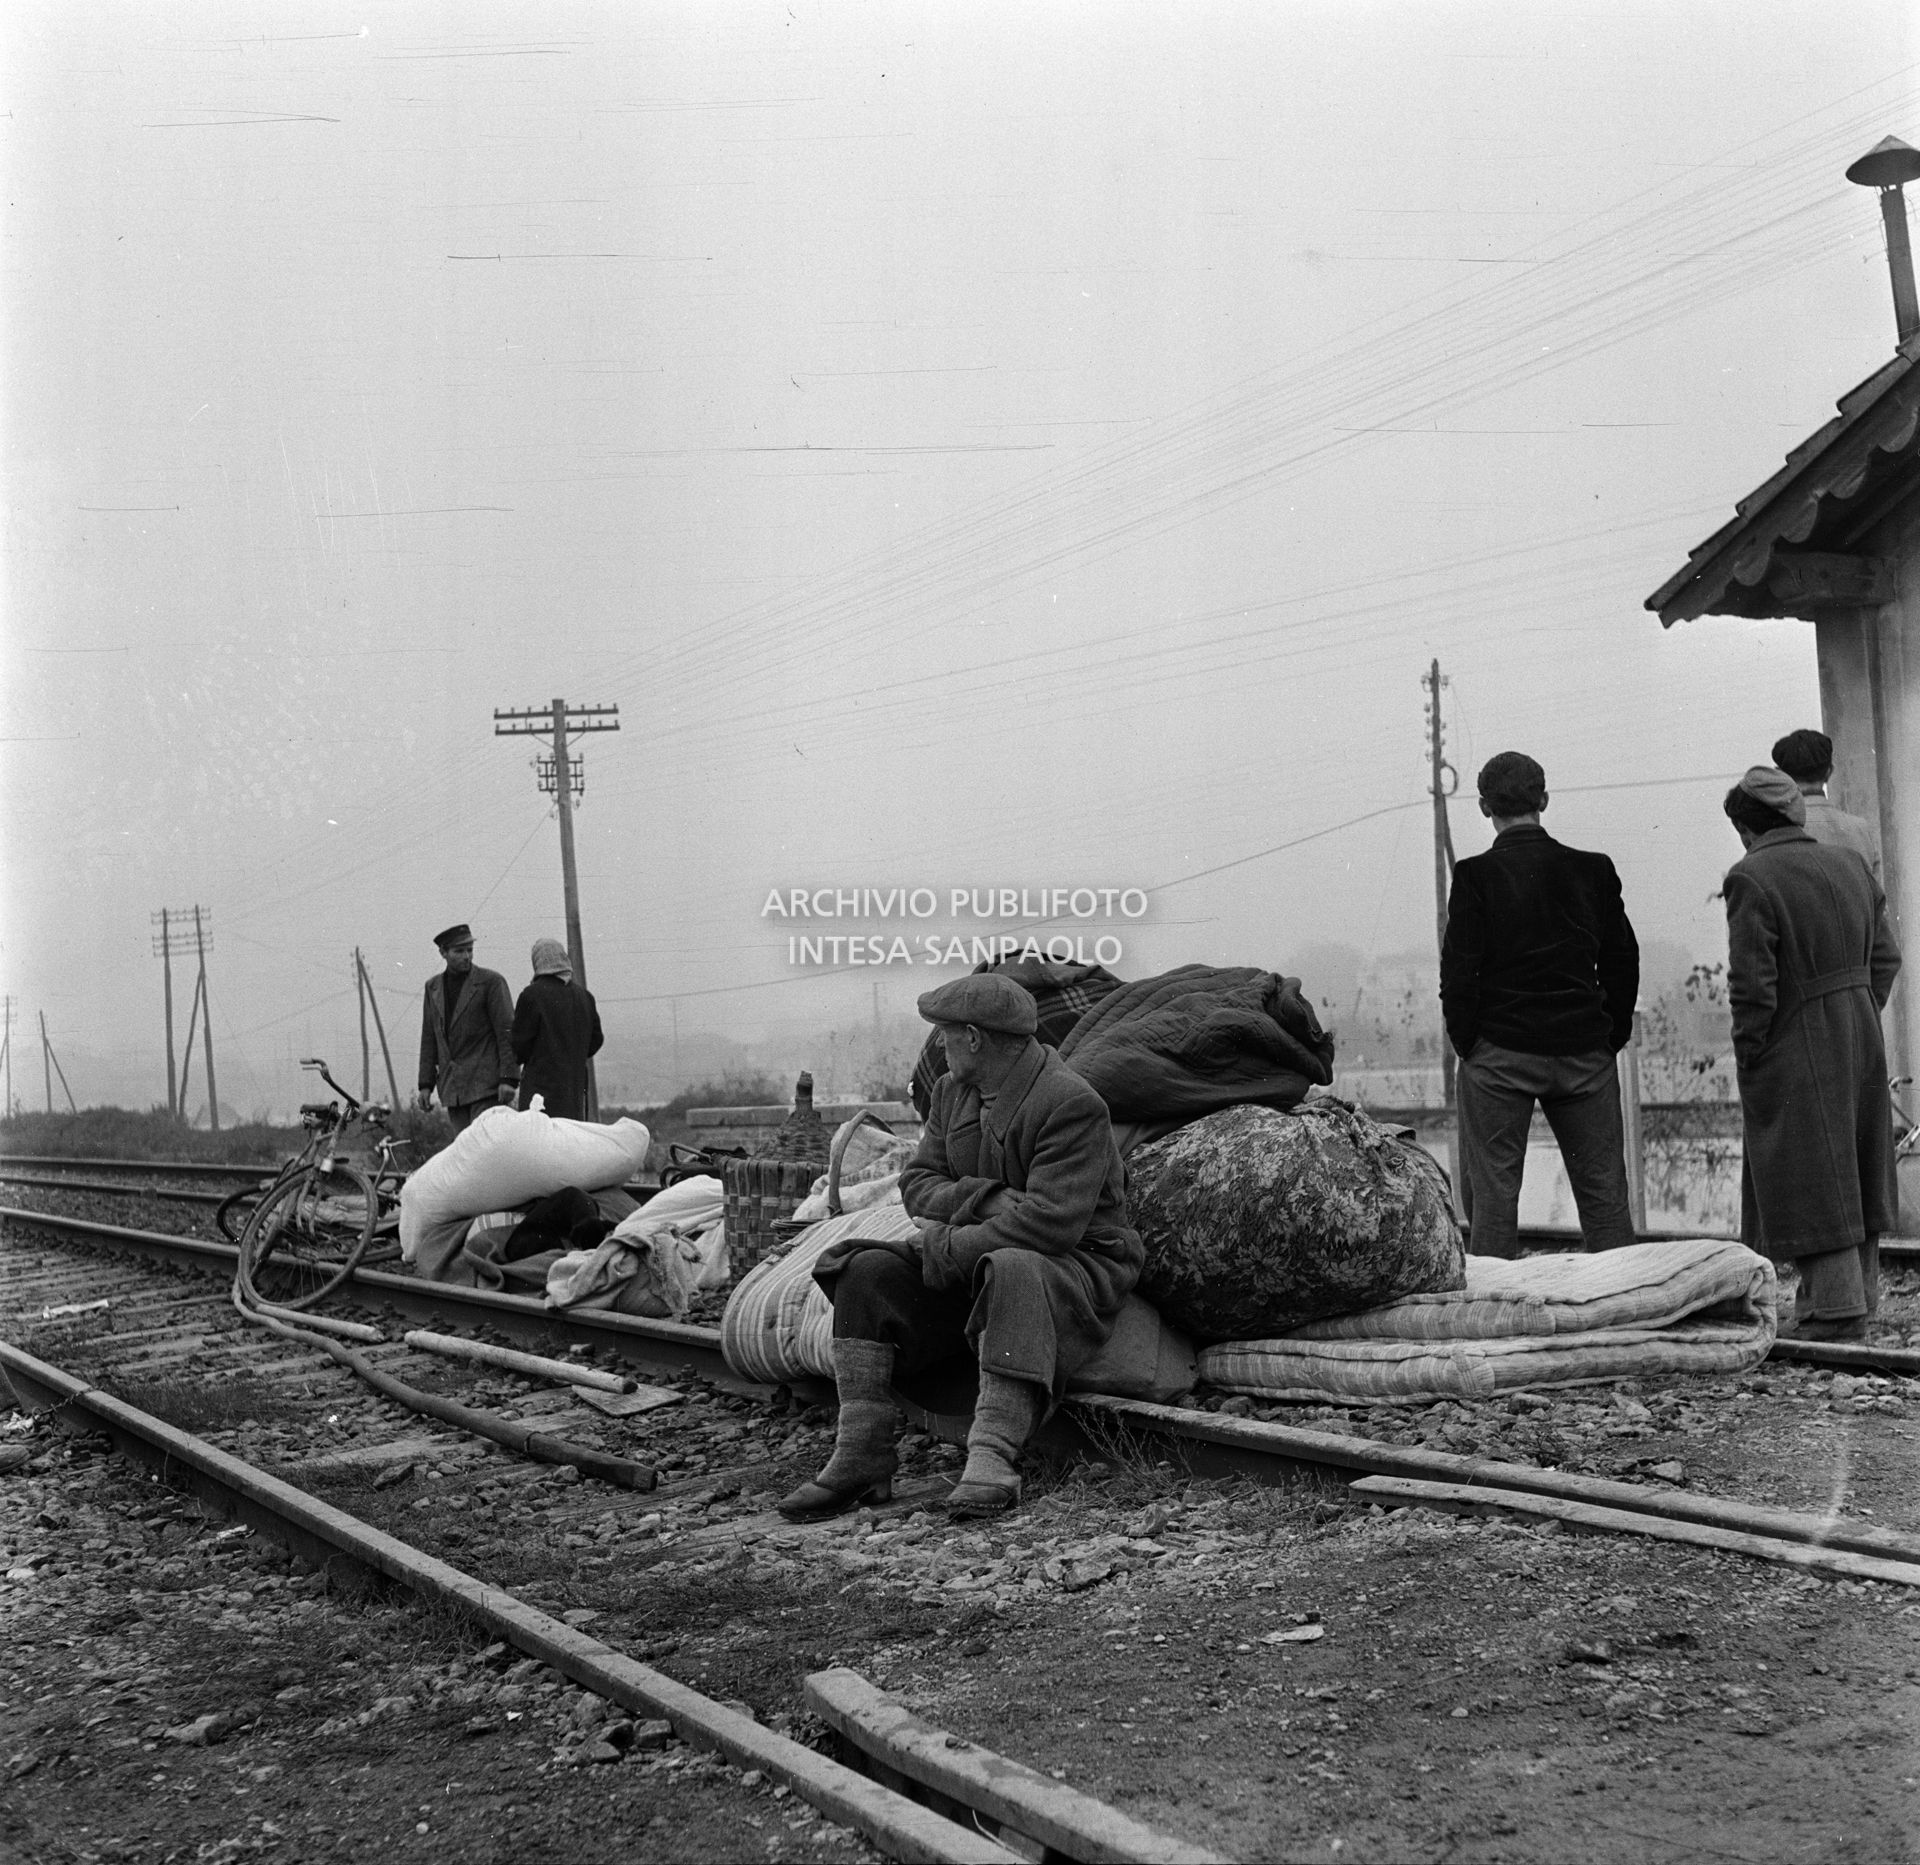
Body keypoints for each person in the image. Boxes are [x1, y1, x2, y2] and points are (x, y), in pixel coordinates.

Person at [778, 972, 1143, 1523]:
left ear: (973, 1038)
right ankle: (862, 1454)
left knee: (1012, 1265)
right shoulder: (953, 1093)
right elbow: (917, 1184)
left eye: (945, 1034)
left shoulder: (1071, 1103)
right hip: (985, 1254)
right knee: (864, 1268)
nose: (940, 1046)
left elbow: (1051, 1226)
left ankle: (993, 1455)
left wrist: (946, 1243)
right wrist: (986, 1198)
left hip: (1079, 1264)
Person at [1723, 765, 1901, 1342]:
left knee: (1811, 1170)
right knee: (1857, 1158)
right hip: (1860, 1027)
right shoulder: (1850, 864)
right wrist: (1858, 1007)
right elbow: (1886, 958)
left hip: (1796, 1037)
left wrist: (1751, 1051)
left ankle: (1837, 1308)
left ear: (1747, 828)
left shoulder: (1751, 876)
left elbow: (1753, 986)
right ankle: (1857, 1298)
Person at [1440, 751, 1641, 1258]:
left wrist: (1470, 1045)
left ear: (1485, 807)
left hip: (1499, 1055)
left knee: (1493, 1201)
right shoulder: (1593, 870)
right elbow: (1622, 960)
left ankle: (1495, 1305)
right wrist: (1610, 1037)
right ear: (1544, 800)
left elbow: (1458, 975)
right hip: (1584, 1055)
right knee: (1605, 1198)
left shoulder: (1474, 876)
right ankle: (1625, 1298)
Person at [415, 923, 517, 1133]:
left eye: (469, 950)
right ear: (443, 952)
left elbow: (507, 1032)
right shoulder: (433, 988)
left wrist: (509, 1078)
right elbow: (429, 1038)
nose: (466, 956)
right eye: (459, 951)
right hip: (454, 1090)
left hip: (487, 1088)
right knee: (463, 1147)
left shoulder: (491, 982)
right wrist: (425, 1084)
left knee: (486, 1144)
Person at [511, 937, 604, 1121]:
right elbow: (596, 1040)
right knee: (572, 1135)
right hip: (575, 1091)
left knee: (538, 1136)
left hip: (539, 1092)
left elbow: (519, 1046)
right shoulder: (585, 997)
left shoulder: (531, 995)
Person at [1772, 727, 1882, 880]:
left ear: (1781, 775)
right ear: (1829, 772)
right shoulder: (1861, 829)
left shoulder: (1775, 831)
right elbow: (1876, 892)